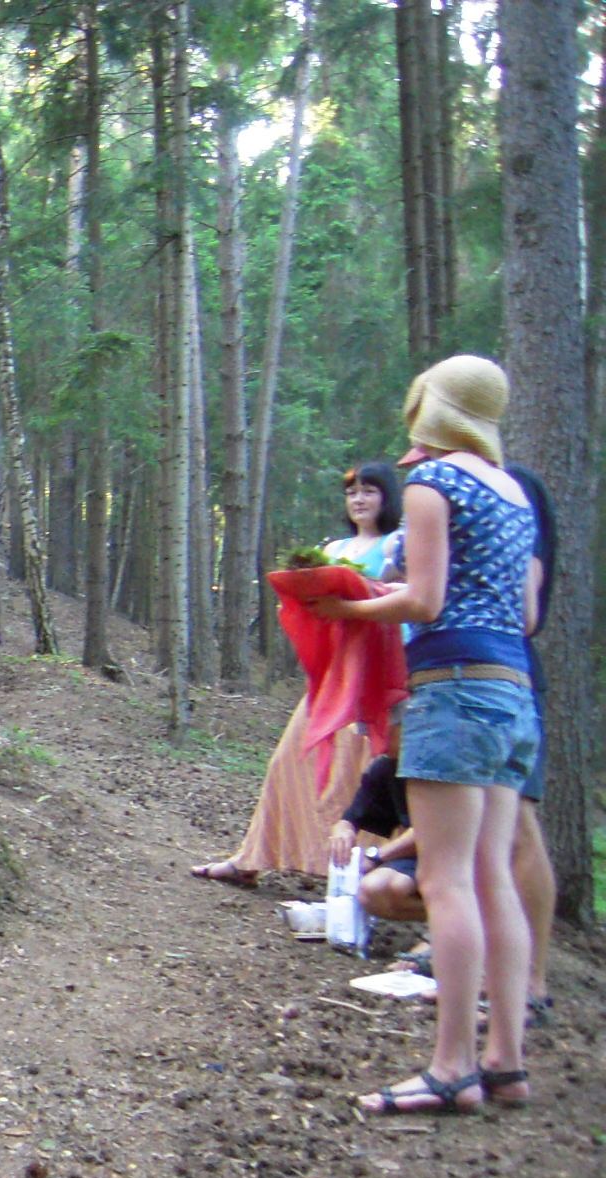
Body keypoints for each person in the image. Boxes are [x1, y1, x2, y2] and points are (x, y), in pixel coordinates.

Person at [307, 355, 538, 1115]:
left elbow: (428, 600)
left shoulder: (436, 483)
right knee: (492, 874)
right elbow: (523, 612)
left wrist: (347, 609)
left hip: (452, 688)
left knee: (445, 881)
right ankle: (505, 1061)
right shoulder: (512, 491)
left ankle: (452, 1067)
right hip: (512, 692)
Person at [329, 462, 561, 1023]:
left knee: (506, 841)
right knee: (479, 856)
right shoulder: (482, 488)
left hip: (480, 676)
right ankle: (490, 989)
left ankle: (525, 986)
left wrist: (365, 605)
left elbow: (521, 610)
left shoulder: (501, 488)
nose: (412, 458)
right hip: (472, 674)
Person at [190, 462, 404, 886]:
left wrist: (361, 599)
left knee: (360, 776)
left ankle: (359, 875)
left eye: (369, 491)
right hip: (330, 675)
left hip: (372, 677)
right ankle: (251, 859)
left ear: (387, 497)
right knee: (289, 762)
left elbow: (406, 603)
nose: (359, 500)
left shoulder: (398, 544)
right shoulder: (335, 548)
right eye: (352, 492)